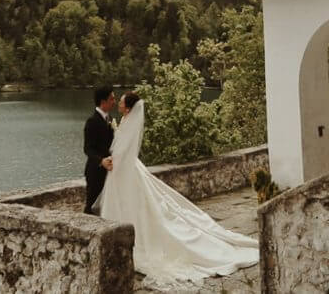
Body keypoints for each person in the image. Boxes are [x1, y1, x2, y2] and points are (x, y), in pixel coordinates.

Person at [92, 91, 259, 286]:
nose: (118, 104)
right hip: (126, 171)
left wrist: (112, 160)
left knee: (137, 207)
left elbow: (122, 151)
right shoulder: (125, 120)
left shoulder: (127, 122)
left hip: (125, 171)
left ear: (128, 108)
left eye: (120, 102)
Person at [83, 85, 116, 215]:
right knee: (92, 206)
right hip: (95, 172)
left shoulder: (110, 118)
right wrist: (101, 161)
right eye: (112, 99)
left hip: (110, 171)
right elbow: (87, 149)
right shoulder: (92, 121)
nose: (114, 102)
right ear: (103, 102)